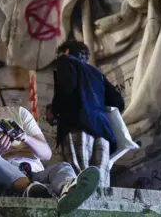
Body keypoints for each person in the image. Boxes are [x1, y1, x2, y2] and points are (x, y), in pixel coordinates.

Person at [0, 70, 100, 215]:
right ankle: (33, 188)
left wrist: (26, 138)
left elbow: (46, 154)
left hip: (37, 175)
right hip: (4, 177)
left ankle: (68, 191)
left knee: (62, 167)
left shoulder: (18, 113)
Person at [47, 41, 125, 188]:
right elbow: (118, 101)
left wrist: (54, 110)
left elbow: (66, 87)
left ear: (66, 51)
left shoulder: (65, 61)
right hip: (102, 131)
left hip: (77, 125)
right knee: (100, 181)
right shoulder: (97, 74)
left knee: (79, 175)